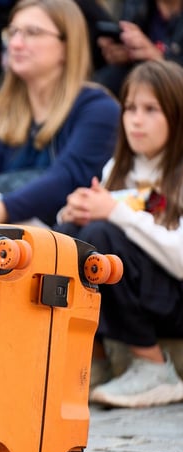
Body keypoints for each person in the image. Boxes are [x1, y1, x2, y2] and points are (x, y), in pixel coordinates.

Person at [0, 0, 121, 228]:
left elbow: (65, 181)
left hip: (59, 232)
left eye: (32, 33)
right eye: (12, 33)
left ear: (67, 45)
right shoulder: (2, 109)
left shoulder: (98, 108)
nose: (15, 44)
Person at [56, 59, 183, 408]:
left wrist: (117, 213)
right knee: (71, 234)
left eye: (151, 109)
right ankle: (91, 359)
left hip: (173, 296)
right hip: (139, 290)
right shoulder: (118, 168)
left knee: (102, 233)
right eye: (129, 108)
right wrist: (73, 211)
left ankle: (154, 366)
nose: (136, 119)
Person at [94, 0, 183, 99]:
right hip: (136, 76)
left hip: (170, 88)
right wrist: (126, 53)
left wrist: (159, 59)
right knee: (105, 82)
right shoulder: (136, 4)